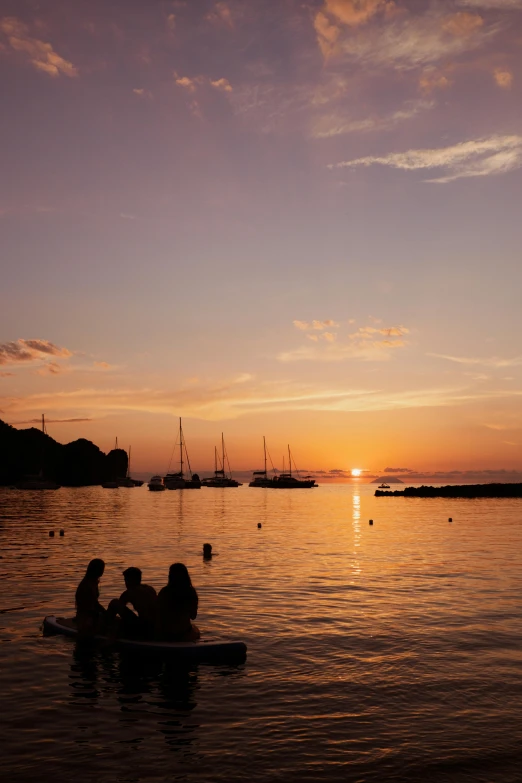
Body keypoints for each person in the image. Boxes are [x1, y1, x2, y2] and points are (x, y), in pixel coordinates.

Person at [107, 567, 157, 639]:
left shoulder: (130, 592)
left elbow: (119, 606)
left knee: (114, 603)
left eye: (126, 580)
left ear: (131, 580)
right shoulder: (150, 589)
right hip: (155, 626)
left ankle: (106, 628)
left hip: (145, 629)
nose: (125, 584)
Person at [156, 563, 200, 642]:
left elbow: (157, 614)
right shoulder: (190, 592)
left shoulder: (164, 591)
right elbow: (193, 616)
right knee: (195, 629)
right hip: (184, 633)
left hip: (166, 633)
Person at [75, 558, 107, 635]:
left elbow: (95, 603)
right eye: (101, 568)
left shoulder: (93, 582)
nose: (102, 571)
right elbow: (93, 604)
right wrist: (105, 614)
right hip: (86, 616)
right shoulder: (87, 585)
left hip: (93, 613)